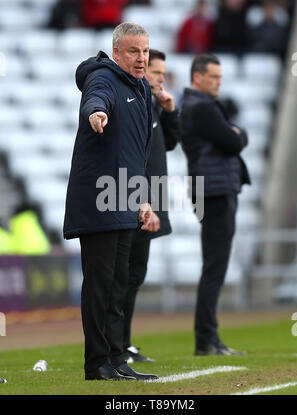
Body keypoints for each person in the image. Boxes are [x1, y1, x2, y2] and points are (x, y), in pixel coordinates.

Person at [63, 22, 158, 381]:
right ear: (117, 52)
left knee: (118, 285)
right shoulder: (103, 78)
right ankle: (97, 364)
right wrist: (95, 112)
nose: (141, 58)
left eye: (145, 51)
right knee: (101, 286)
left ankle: (117, 359)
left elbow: (136, 154)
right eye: (133, 51)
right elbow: (95, 96)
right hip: (100, 200)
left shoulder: (141, 88)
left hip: (124, 199)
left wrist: (142, 199)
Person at [180, 54, 251, 356]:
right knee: (215, 267)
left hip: (209, 188)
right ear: (197, 77)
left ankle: (207, 338)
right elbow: (234, 141)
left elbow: (234, 136)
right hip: (215, 190)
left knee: (214, 265)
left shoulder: (195, 106)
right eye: (214, 77)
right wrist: (236, 132)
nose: (219, 83)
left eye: (221, 78)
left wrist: (236, 132)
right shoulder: (203, 108)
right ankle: (206, 339)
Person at [122, 49, 181, 363]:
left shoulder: (154, 107)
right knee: (125, 277)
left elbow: (169, 144)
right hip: (133, 203)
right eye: (158, 73)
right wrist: (143, 202)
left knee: (134, 276)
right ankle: (115, 345)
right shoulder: (138, 106)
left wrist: (170, 111)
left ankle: (124, 343)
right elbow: (134, 159)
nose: (162, 78)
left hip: (149, 202)